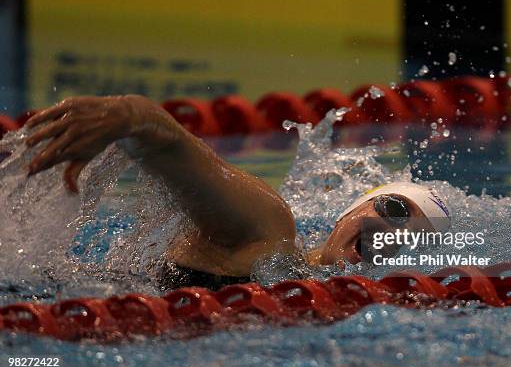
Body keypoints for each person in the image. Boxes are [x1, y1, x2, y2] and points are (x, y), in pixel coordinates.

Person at [24, 95, 450, 290]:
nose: (394, 232)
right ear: (347, 214)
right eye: (395, 209)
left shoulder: (314, 290)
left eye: (416, 238)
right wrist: (129, 116)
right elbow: (179, 148)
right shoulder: (269, 229)